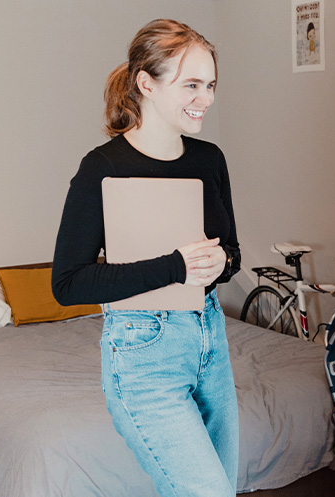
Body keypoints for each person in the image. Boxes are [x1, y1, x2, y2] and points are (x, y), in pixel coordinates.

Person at [51, 19, 240, 497]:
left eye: (211, 84)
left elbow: (232, 253)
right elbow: (68, 283)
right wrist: (176, 265)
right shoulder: (102, 168)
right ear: (146, 84)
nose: (207, 98)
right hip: (143, 350)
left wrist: (222, 265)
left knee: (223, 487)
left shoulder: (209, 158)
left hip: (210, 338)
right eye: (192, 84)